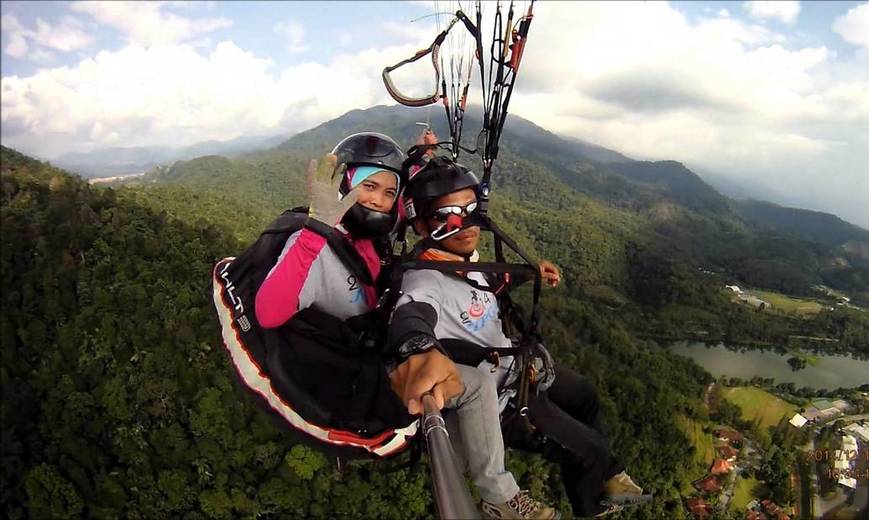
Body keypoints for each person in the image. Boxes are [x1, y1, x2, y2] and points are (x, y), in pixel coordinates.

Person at [255, 132, 558, 520]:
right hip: (359, 366)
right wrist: (315, 231)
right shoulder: (317, 247)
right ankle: (496, 491)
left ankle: (483, 443)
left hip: (381, 339)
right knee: (477, 383)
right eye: (367, 186)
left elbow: (408, 210)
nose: (377, 200)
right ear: (344, 184)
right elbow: (268, 311)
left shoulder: (372, 229)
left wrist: (421, 156)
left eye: (387, 191)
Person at [387, 155, 645, 518]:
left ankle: (604, 468)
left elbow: (491, 284)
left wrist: (530, 272)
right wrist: (415, 348)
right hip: (505, 399)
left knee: (585, 395)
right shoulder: (426, 278)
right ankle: (592, 503)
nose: (465, 223)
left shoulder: (465, 263)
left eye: (471, 208)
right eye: (448, 213)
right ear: (422, 224)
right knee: (589, 451)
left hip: (518, 367)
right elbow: (412, 313)